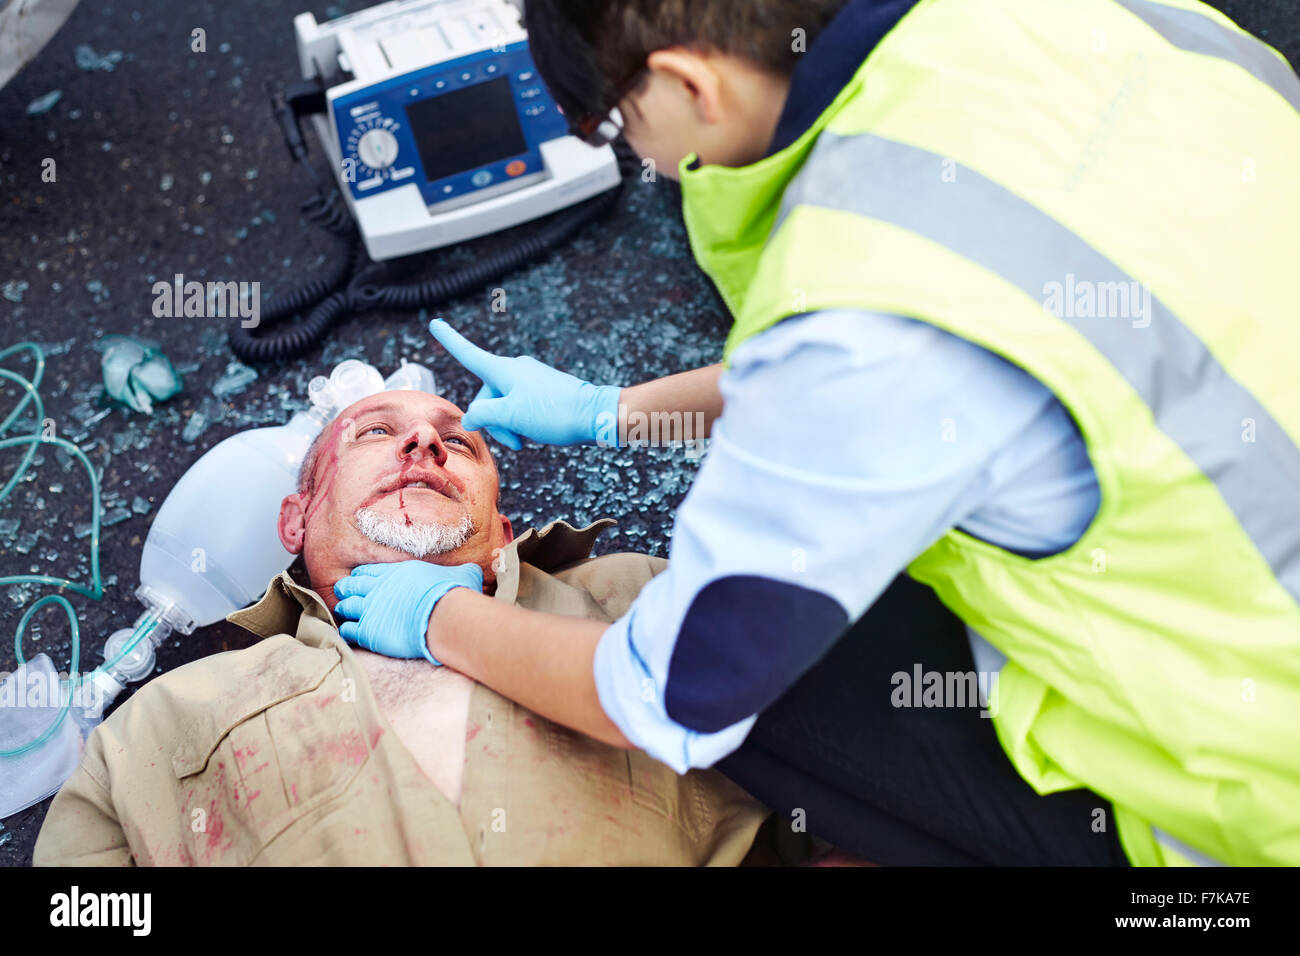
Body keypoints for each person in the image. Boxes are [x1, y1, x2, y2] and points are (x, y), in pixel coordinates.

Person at [334, 0, 1300, 867]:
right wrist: (611, 410)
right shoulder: (1111, 24)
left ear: (686, 83)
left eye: (623, 127)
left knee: (754, 684)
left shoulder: (865, 311)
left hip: (1252, 786)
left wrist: (439, 616)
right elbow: (989, 324)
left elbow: (663, 698)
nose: (644, 154)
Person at [33, 388, 802, 866]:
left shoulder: (638, 594)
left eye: (460, 441)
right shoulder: (160, 725)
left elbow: (877, 767)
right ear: (294, 519)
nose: (425, 442)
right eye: (373, 432)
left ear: (500, 527)